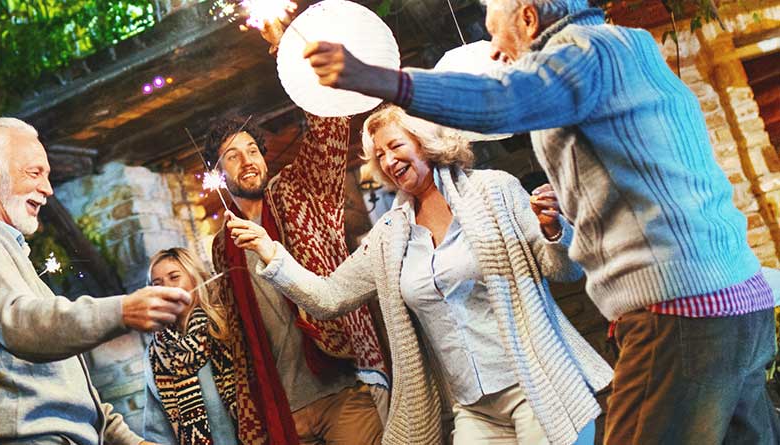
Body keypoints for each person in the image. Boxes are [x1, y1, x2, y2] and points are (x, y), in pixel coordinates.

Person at [300, 0, 780, 443]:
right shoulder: (630, 49)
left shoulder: (582, 52)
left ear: (529, 19)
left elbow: (501, 99)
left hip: (678, 313)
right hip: (739, 303)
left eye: (494, 32)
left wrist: (380, 80)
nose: (491, 49)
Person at [226, 106, 612, 445]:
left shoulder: (493, 190)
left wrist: (553, 230)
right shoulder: (389, 236)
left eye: (396, 146)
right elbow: (329, 298)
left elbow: (564, 270)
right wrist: (270, 252)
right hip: (473, 409)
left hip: (537, 387)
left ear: (424, 142)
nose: (390, 160)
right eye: (380, 155)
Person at [0, 117, 191, 445]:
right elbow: (22, 326)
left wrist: (127, 439)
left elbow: (66, 381)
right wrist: (122, 311)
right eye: (35, 173)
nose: (48, 189)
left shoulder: (3, 249)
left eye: (48, 176)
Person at [196, 20, 389, 445]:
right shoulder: (221, 245)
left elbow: (329, 127)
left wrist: (294, 53)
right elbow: (242, 339)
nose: (247, 160)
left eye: (252, 150)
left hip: (345, 386)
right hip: (284, 410)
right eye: (233, 156)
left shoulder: (302, 192)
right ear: (219, 173)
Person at [142, 247, 239, 445]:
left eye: (174, 277)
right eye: (157, 284)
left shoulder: (225, 327)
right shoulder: (157, 354)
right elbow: (159, 431)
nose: (167, 289)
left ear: (194, 278)